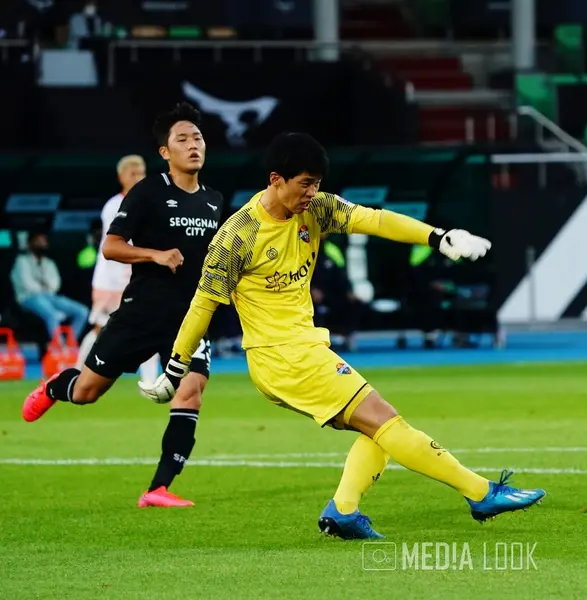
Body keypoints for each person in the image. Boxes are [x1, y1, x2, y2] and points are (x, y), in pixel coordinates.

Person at [139, 132, 546, 539]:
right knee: (387, 422)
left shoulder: (316, 209)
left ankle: (343, 511)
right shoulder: (237, 235)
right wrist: (176, 368)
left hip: (302, 350)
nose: (311, 193)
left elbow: (376, 219)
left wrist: (438, 238)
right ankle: (481, 493)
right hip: (284, 357)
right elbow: (202, 306)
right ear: (276, 179)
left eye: (316, 184)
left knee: (379, 429)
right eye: (305, 184)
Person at [22, 102, 225, 509]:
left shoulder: (214, 200)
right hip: (141, 312)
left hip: (188, 318)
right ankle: (55, 386)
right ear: (165, 151)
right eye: (182, 139)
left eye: (198, 138)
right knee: (87, 392)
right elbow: (111, 246)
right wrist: (155, 255)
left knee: (191, 391)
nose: (193, 145)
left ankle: (158, 488)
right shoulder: (147, 192)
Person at [76, 154, 160, 386]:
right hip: (110, 281)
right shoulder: (114, 206)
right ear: (121, 177)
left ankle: (150, 383)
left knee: (149, 326)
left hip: (137, 278)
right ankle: (76, 373)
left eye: (141, 173)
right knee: (101, 329)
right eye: (133, 173)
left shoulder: (150, 202)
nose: (138, 177)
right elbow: (116, 245)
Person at [11, 231, 89, 342]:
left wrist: (45, 287)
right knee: (52, 314)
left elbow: (55, 284)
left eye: (43, 241)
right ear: (30, 244)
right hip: (28, 298)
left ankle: (69, 343)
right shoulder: (21, 261)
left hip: (51, 296)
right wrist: (44, 286)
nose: (41, 244)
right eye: (38, 241)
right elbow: (27, 284)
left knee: (82, 312)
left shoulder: (49, 263)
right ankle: (59, 347)